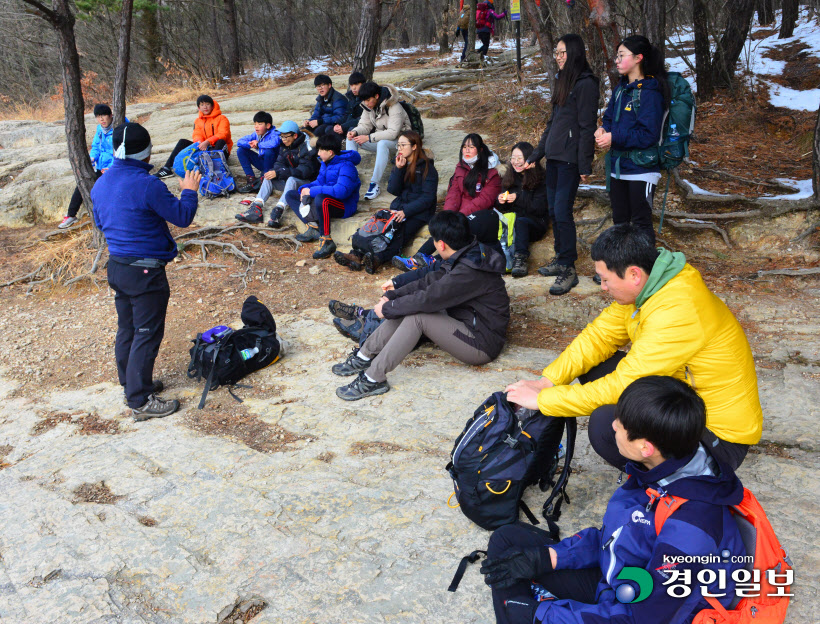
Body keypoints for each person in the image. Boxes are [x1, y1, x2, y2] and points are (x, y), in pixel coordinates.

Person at [482, 376, 747, 624]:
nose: (612, 426)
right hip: (620, 581)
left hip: (642, 610)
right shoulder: (664, 465)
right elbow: (615, 539)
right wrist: (546, 558)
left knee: (520, 607)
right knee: (507, 542)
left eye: (619, 426)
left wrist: (541, 614)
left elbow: (641, 617)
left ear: (646, 447)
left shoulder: (691, 529)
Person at [505, 224, 763, 471]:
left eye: (605, 280)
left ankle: (664, 484)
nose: (603, 287)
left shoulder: (678, 309)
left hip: (716, 437)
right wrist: (548, 381)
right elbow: (599, 336)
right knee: (595, 366)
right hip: (682, 400)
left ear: (634, 274)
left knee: (607, 425)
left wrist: (543, 401)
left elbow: (622, 385)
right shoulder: (652, 283)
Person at [331, 211, 509, 401]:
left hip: (480, 343)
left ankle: (373, 378)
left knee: (416, 316)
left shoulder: (469, 270)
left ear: (441, 244)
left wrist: (388, 308)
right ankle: (364, 356)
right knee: (407, 308)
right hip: (465, 323)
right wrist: (393, 296)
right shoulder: (465, 253)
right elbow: (431, 280)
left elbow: (428, 298)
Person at [91, 123, 202, 420]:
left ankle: (132, 383)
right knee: (146, 333)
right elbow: (182, 216)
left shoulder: (100, 184)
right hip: (145, 273)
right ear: (147, 151)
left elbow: (101, 225)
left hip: (117, 267)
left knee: (127, 328)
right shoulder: (148, 184)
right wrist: (189, 191)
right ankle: (139, 400)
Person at [526, 34, 598, 295]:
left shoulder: (586, 83)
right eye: (556, 53)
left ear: (575, 53)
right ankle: (561, 257)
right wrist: (536, 155)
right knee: (554, 212)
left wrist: (584, 164)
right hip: (555, 157)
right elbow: (552, 123)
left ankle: (569, 268)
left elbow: (587, 126)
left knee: (562, 211)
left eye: (562, 52)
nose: (558, 57)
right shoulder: (561, 80)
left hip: (570, 160)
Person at [595, 35, 668, 247]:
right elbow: (609, 118)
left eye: (621, 56)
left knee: (640, 223)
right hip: (618, 167)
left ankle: (644, 273)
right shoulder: (620, 89)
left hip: (642, 168)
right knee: (619, 222)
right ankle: (619, 271)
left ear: (638, 58)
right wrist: (602, 129)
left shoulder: (650, 93)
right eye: (616, 56)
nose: (616, 60)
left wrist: (614, 137)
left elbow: (648, 135)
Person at [334, 130, 438, 274]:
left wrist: (406, 211)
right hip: (399, 207)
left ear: (414, 147)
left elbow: (428, 198)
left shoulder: (428, 169)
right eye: (398, 146)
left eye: (403, 145)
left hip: (419, 213)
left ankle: (377, 258)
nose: (399, 149)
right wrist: (398, 170)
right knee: (378, 225)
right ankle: (356, 255)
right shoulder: (402, 164)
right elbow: (393, 189)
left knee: (398, 232)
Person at [393, 133, 501, 271]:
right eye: (464, 147)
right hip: (461, 213)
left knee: (455, 229)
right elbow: (453, 193)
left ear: (480, 150)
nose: (466, 150)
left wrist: (460, 215)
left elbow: (485, 200)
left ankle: (429, 261)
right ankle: (418, 258)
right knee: (444, 224)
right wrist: (448, 214)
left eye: (471, 147)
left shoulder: (492, 172)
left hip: (482, 216)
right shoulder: (461, 167)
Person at [283, 132, 360, 259]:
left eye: (320, 150)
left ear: (330, 152)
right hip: (327, 199)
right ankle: (313, 227)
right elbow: (319, 182)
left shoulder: (347, 166)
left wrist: (313, 192)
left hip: (344, 205)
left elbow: (341, 191)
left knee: (321, 199)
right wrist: (305, 188)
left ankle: (326, 239)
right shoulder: (325, 163)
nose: (317, 153)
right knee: (291, 195)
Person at [236, 121, 319, 227]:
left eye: (285, 136)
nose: (283, 139)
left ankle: (279, 210)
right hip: (289, 181)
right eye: (281, 136)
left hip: (306, 184)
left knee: (291, 179)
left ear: (295, 136)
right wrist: (276, 172)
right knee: (268, 175)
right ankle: (256, 207)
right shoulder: (284, 146)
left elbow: (303, 172)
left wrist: (280, 172)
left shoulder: (307, 147)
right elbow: (278, 164)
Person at [59, 104, 127, 228]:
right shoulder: (100, 129)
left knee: (104, 189)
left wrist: (113, 166)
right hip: (100, 167)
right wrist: (92, 157)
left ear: (111, 115)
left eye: (104, 115)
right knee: (82, 183)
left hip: (115, 167)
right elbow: (96, 147)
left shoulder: (121, 128)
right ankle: (71, 215)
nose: (102, 119)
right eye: (98, 116)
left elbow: (123, 151)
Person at [346, 80, 411, 200]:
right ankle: (349, 175)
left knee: (382, 144)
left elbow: (393, 133)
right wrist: (355, 132)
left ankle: (374, 183)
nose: (366, 103)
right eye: (364, 100)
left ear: (376, 96)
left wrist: (369, 137)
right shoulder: (369, 106)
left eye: (368, 100)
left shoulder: (394, 106)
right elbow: (365, 126)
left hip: (400, 142)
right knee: (351, 138)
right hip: (381, 138)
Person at [497, 142, 547, 279]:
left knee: (521, 222)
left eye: (520, 158)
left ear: (529, 159)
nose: (516, 162)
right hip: (513, 222)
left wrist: (517, 198)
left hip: (535, 223)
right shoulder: (509, 177)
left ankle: (520, 259)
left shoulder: (541, 178)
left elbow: (539, 208)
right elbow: (505, 211)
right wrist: (501, 201)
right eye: (513, 158)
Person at [154, 95, 233, 179]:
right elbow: (196, 134)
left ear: (212, 105)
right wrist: (199, 142)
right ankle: (167, 168)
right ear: (198, 107)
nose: (205, 107)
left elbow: (223, 134)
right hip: (204, 149)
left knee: (220, 141)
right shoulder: (198, 121)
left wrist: (207, 142)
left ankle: (212, 170)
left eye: (207, 104)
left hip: (220, 150)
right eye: (202, 105)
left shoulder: (222, 118)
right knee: (182, 142)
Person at [234, 111, 281, 194]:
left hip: (273, 165)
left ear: (268, 125)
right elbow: (239, 141)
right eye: (255, 124)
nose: (256, 126)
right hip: (262, 162)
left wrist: (259, 144)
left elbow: (274, 143)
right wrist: (250, 144)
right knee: (241, 150)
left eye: (259, 124)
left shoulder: (275, 133)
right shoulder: (256, 135)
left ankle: (265, 180)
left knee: (269, 151)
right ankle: (251, 179)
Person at [333, 72, 367, 136]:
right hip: (347, 125)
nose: (353, 88)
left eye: (356, 84)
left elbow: (361, 119)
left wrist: (343, 126)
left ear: (363, 84)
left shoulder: (367, 98)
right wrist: (337, 124)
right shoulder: (351, 97)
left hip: (361, 127)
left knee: (351, 130)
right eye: (351, 85)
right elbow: (347, 114)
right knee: (330, 129)